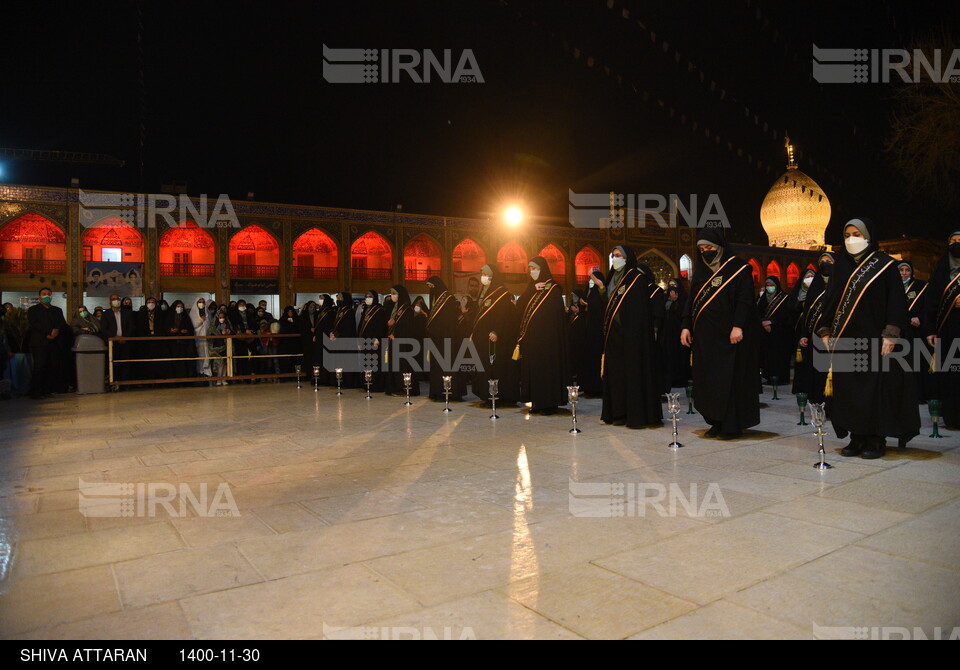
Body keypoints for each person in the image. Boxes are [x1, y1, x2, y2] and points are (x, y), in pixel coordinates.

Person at [817, 218, 919, 458]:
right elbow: (829, 301)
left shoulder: (885, 265)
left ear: (868, 236)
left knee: (874, 392)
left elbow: (896, 301)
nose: (852, 238)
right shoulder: (840, 265)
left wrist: (891, 334)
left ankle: (875, 439)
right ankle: (857, 437)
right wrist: (825, 331)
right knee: (849, 392)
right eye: (847, 234)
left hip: (875, 340)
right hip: (845, 340)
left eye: (857, 234)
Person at [680, 227, 761, 439]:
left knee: (729, 380)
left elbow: (745, 300)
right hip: (705, 340)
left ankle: (731, 425)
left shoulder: (738, 268)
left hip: (730, 337)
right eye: (701, 248)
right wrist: (686, 326)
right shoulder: (701, 272)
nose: (705, 251)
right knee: (708, 381)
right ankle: (714, 421)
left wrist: (738, 325)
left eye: (709, 248)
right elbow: (691, 303)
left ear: (720, 247)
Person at [598, 246, 663, 427]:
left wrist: (631, 331)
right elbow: (609, 305)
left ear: (627, 258)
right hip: (613, 336)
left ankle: (633, 414)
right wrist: (602, 290)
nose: (615, 259)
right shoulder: (612, 278)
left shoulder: (636, 279)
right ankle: (618, 412)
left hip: (631, 336)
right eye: (613, 256)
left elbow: (639, 312)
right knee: (616, 375)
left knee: (631, 374)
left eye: (618, 256)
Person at [514, 256, 570, 414]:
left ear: (542, 269)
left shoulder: (553, 289)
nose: (532, 272)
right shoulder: (532, 288)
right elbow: (519, 308)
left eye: (535, 268)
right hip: (533, 341)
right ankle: (537, 403)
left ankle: (549, 404)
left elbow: (553, 314)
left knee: (547, 372)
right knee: (535, 372)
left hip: (548, 340)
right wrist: (532, 289)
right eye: (530, 269)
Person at [925, 231, 960, 428]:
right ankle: (953, 416)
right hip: (947, 332)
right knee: (950, 373)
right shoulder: (940, 269)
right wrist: (930, 330)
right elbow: (931, 302)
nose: (956, 244)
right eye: (953, 241)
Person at [796, 253, 834, 402]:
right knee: (817, 370)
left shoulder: (841, 281)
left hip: (835, 334)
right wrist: (804, 333)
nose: (825, 263)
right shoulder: (815, 284)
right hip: (815, 335)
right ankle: (818, 401)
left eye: (828, 261)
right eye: (822, 261)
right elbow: (807, 313)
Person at [425, 276, 465, 401]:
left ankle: (448, 392)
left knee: (447, 366)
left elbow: (448, 322)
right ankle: (437, 392)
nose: (431, 289)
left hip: (448, 339)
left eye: (432, 287)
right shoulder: (437, 300)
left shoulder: (448, 299)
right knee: (437, 367)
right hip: (437, 340)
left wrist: (438, 332)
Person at [27, 288, 68, 399]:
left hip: (54, 342)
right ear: (39, 296)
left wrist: (56, 331)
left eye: (48, 294)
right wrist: (47, 333)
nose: (46, 296)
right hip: (40, 342)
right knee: (39, 367)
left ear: (51, 296)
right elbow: (34, 325)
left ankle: (46, 390)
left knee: (51, 367)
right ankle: (36, 392)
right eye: (44, 294)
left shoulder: (57, 310)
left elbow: (61, 323)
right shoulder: (33, 310)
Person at [383, 285, 420, 396]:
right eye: (391, 293)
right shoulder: (396, 308)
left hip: (403, 343)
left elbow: (407, 328)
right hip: (393, 341)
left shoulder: (407, 310)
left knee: (403, 366)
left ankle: (404, 388)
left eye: (394, 294)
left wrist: (396, 335)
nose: (392, 296)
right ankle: (395, 387)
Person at [758, 276, 792, 385]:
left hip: (780, 333)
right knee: (769, 356)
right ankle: (769, 377)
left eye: (772, 285)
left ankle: (781, 378)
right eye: (767, 285)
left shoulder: (784, 298)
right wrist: (763, 322)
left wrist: (772, 322)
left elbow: (786, 314)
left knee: (780, 356)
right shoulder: (763, 298)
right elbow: (758, 312)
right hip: (766, 334)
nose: (769, 288)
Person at [577, 269, 605, 395]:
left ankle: (597, 388)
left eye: (593, 279)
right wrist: (582, 304)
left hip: (598, 332)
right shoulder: (588, 292)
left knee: (597, 360)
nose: (591, 281)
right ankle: (587, 386)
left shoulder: (601, 292)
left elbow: (602, 307)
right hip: (587, 333)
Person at [100, 292, 137, 384]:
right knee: (114, 363)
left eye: (117, 299)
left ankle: (125, 383)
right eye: (113, 299)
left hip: (126, 342)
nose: (116, 301)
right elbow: (104, 328)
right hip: (113, 342)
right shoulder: (106, 314)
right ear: (110, 302)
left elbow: (131, 327)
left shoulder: (126, 313)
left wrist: (125, 337)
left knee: (126, 362)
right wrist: (114, 337)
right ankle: (115, 382)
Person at [660, 280, 690, 390]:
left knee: (680, 355)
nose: (672, 288)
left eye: (674, 285)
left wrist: (675, 301)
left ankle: (681, 379)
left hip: (680, 332)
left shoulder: (683, 298)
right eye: (670, 285)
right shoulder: (665, 298)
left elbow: (683, 314)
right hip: (668, 333)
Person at [358, 291, 388, 392]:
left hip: (374, 342)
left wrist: (377, 338)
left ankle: (375, 385)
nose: (367, 298)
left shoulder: (379, 310)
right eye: (366, 297)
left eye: (370, 297)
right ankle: (367, 382)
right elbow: (361, 326)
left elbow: (381, 326)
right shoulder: (366, 310)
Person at [165, 300, 195, 382]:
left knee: (183, 363)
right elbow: (166, 328)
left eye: (181, 307)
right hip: (172, 343)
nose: (180, 308)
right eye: (178, 307)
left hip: (183, 343)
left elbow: (190, 329)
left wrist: (186, 331)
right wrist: (171, 331)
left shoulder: (185, 317)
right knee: (173, 362)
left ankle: (183, 380)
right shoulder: (170, 317)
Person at [189, 297, 212, 383]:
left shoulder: (207, 313)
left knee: (207, 354)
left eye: (203, 302)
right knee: (199, 355)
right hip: (197, 338)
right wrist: (200, 320)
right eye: (199, 302)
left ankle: (207, 372)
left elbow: (209, 323)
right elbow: (193, 324)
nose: (201, 303)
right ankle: (199, 372)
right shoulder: (193, 313)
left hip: (206, 338)